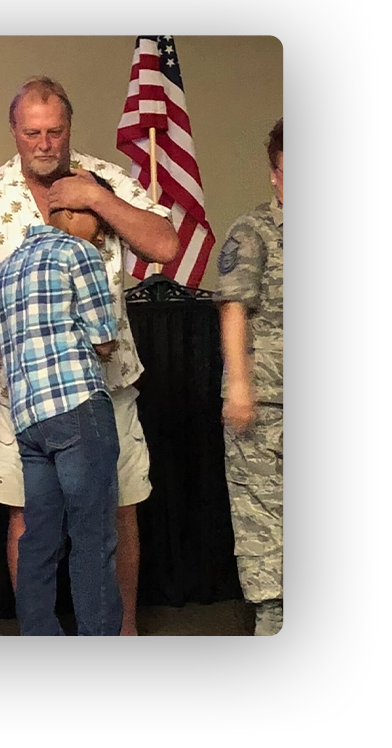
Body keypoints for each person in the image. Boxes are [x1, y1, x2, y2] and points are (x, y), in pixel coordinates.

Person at [0, 76, 179, 635]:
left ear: (69, 128)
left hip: (108, 387)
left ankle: (120, 631)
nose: (44, 143)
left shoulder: (109, 178)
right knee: (29, 520)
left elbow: (166, 247)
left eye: (55, 131)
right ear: (15, 132)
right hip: (18, 394)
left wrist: (95, 197)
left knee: (117, 514)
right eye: (32, 133)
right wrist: (37, 310)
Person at [0, 194, 123, 636]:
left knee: (38, 541)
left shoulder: (6, 270)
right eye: (95, 218)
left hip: (29, 422)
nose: (102, 230)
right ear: (67, 214)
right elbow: (104, 338)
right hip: (78, 407)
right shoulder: (78, 252)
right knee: (93, 539)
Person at [214, 117, 283, 636]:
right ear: (274, 174)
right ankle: (271, 611)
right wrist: (240, 386)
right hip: (266, 397)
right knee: (261, 509)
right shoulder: (253, 230)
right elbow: (234, 307)